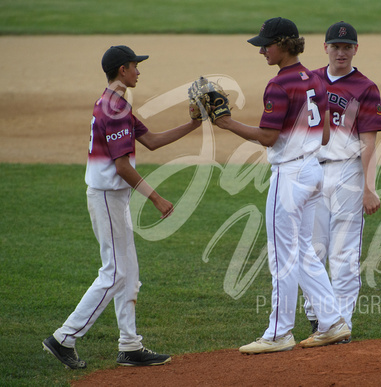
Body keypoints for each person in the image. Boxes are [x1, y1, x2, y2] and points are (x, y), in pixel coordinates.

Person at [42, 45, 201, 369]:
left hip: (113, 198)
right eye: (134, 66)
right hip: (106, 197)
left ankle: (130, 346)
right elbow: (122, 167)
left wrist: (194, 125)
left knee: (129, 275)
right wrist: (156, 198)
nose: (139, 71)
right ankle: (64, 338)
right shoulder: (114, 108)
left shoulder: (116, 103)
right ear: (122, 70)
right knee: (114, 272)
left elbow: (152, 140)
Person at [213, 17, 351, 354]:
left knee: (282, 256)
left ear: (285, 44)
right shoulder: (316, 79)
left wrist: (227, 123)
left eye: (267, 44)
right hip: (314, 172)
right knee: (303, 251)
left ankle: (279, 333)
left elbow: (267, 137)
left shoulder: (279, 85)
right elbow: (327, 134)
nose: (262, 49)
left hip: (289, 177)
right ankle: (332, 322)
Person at [303, 21, 381, 337]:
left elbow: (369, 143)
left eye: (347, 46)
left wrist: (369, 187)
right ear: (325, 48)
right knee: (312, 250)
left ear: (355, 49)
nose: (341, 52)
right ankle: (318, 317)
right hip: (312, 170)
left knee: (344, 255)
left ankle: (343, 324)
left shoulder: (365, 88)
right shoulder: (309, 82)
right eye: (335, 46)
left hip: (348, 173)